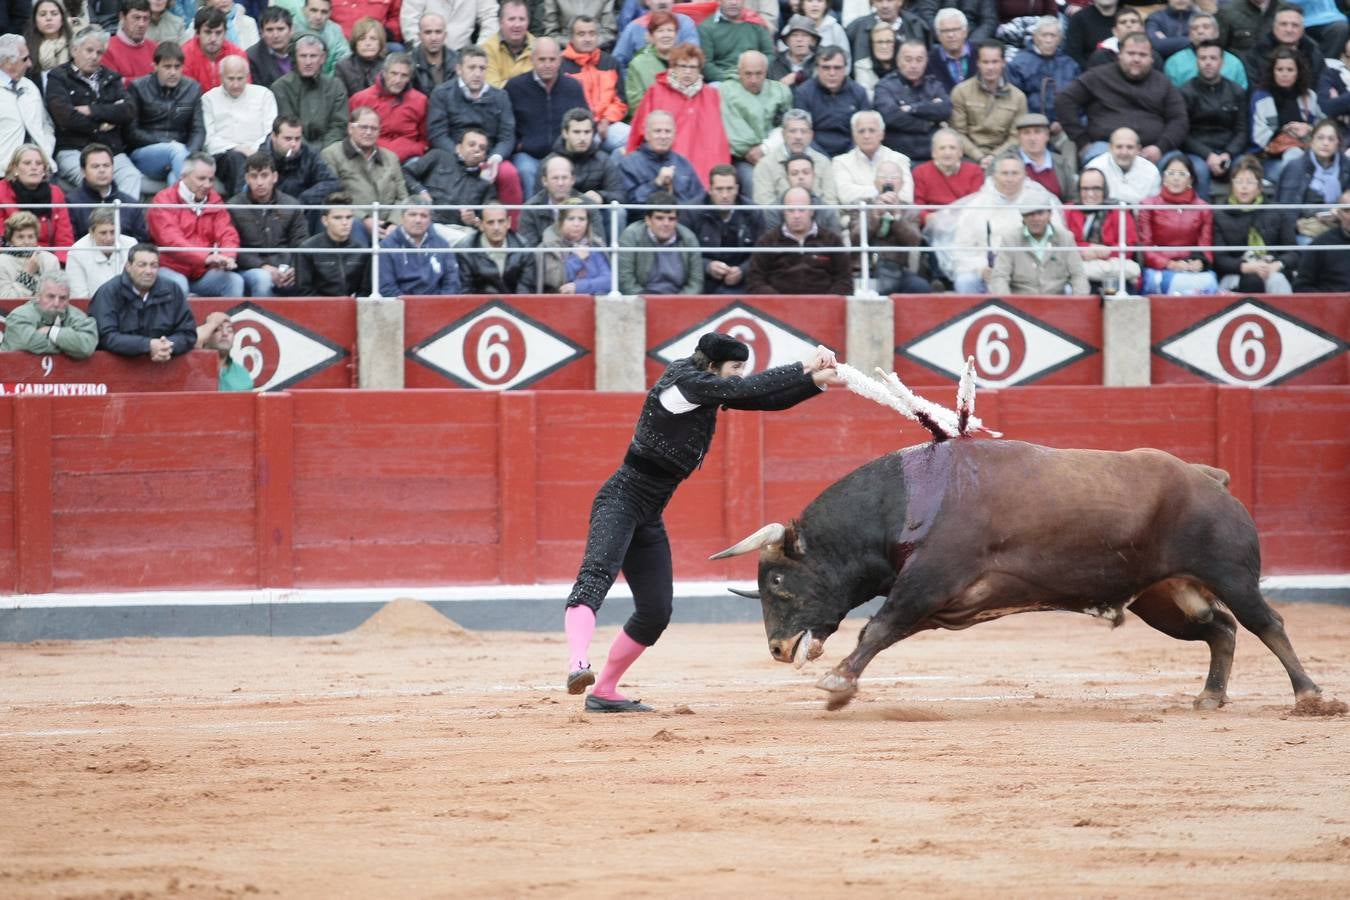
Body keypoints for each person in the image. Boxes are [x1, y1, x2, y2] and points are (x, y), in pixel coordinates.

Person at [562, 331, 839, 712]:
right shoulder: (686, 383)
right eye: (735, 368)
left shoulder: (707, 390)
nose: (739, 376)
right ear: (711, 366)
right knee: (594, 579)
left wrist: (814, 384)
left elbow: (761, 398)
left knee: (656, 612)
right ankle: (578, 666)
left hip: (648, 515)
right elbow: (750, 391)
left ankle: (605, 691)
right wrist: (805, 366)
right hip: (620, 501)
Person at [929, 154, 1062, 292]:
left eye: (1015, 173)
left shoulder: (1040, 201)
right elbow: (962, 247)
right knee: (965, 281)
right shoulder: (976, 206)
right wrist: (981, 268)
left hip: (1031, 268)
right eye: (1004, 173)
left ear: (1024, 175)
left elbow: (1056, 240)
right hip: (986, 268)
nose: (1009, 179)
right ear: (994, 176)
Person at [1055, 32, 1188, 166]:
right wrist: (1081, 141)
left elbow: (1179, 118)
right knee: (1098, 165)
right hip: (1105, 148)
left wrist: (1160, 147)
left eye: (1143, 55)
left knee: (1179, 168)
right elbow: (1065, 100)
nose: (1136, 59)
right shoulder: (1097, 76)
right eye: (1130, 53)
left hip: (1153, 150)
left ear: (1151, 59)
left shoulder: (1163, 83)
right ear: (1119, 56)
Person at [426, 44, 524, 217]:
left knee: (508, 173)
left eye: (482, 68)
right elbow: (437, 133)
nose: (477, 73)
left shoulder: (500, 97)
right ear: (458, 69)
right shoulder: (442, 94)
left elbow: (508, 136)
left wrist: (494, 158)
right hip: (454, 154)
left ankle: (513, 232)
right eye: (472, 67)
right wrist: (459, 153)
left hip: (489, 155)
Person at [46, 26, 142, 198]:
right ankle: (98, 224)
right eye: (89, 51)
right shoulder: (58, 77)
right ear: (74, 50)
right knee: (96, 181)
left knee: (131, 176)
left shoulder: (111, 77)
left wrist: (92, 110)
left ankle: (123, 224)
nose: (94, 57)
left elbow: (128, 110)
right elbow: (66, 117)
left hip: (110, 150)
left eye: (99, 53)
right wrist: (103, 123)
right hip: (74, 148)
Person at [627, 43, 731, 186]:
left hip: (705, 171)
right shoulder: (656, 92)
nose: (687, 72)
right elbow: (640, 130)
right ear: (673, 68)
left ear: (700, 70)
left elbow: (719, 139)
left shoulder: (711, 95)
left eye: (693, 67)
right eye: (683, 66)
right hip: (665, 169)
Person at [147, 152, 245, 297]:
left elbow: (227, 232)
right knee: (179, 284)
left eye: (211, 179)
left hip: (201, 271)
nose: (207, 185)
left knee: (234, 281)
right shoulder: (163, 200)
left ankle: (224, 320)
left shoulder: (214, 199)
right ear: (183, 176)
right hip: (169, 268)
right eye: (201, 179)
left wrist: (228, 256)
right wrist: (205, 257)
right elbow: (171, 241)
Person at [505, 36, 588, 196]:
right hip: (529, 156)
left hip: (566, 155)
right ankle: (533, 218)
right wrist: (520, 145)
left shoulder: (573, 87)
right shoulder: (514, 87)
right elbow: (506, 126)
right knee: (526, 171)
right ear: (532, 60)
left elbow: (585, 121)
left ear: (560, 60)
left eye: (552, 59)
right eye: (542, 59)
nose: (547, 65)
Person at [88, 242, 197, 360]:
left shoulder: (172, 290)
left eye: (154, 265)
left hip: (164, 368)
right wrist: (147, 345)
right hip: (116, 370)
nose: (149, 271)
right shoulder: (109, 292)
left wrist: (168, 346)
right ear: (128, 267)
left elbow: (188, 333)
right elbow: (105, 337)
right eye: (142, 265)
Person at [1171, 40, 1248, 201]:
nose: (1208, 63)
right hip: (1197, 151)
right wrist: (1208, 155)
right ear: (1196, 61)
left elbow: (1242, 130)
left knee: (1245, 169)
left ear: (1222, 62)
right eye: (1203, 58)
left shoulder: (1237, 91)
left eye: (1213, 58)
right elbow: (1182, 132)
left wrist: (1229, 153)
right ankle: (1201, 219)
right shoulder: (1185, 92)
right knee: (1199, 170)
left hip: (1229, 151)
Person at [321, 105, 410, 239]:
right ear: (350, 128)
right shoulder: (331, 154)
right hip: (352, 221)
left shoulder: (391, 158)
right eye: (363, 127)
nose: (369, 132)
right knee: (355, 225)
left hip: (389, 224)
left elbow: (403, 197)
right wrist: (365, 219)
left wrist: (393, 223)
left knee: (419, 223)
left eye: (374, 128)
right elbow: (333, 198)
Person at [1212, 155, 1297, 294]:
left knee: (1277, 280)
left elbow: (1293, 253)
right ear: (1232, 185)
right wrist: (1247, 267)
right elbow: (1219, 260)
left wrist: (1276, 265)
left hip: (1271, 270)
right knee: (1248, 282)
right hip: (1236, 273)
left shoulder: (1276, 211)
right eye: (1239, 181)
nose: (1244, 187)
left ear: (1259, 187)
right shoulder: (1221, 213)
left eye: (1250, 182)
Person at [228, 150, 309, 297]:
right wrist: (263, 266)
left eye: (264, 175)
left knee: (306, 276)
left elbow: (301, 244)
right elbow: (233, 249)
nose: (259, 182)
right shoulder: (233, 207)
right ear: (247, 178)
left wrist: (294, 269)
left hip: (286, 267)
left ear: (275, 177)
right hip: (249, 269)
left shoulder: (291, 205)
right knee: (262, 278)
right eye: (254, 176)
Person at [747, 185, 852, 293]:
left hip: (823, 306)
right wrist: (778, 301)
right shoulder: (767, 241)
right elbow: (754, 281)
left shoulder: (832, 241)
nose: (796, 215)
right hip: (778, 307)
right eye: (791, 210)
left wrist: (826, 303)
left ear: (812, 211)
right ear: (783, 212)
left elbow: (844, 280)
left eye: (802, 209)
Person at [125, 41, 203, 186]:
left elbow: (198, 129)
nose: (173, 72)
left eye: (177, 67)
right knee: (175, 150)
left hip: (181, 155)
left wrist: (188, 156)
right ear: (155, 66)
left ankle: (181, 208)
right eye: (167, 67)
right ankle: (198, 198)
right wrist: (166, 144)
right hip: (144, 153)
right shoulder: (138, 87)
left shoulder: (192, 88)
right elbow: (131, 132)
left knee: (175, 176)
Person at [1138, 154, 1218, 295]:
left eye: (1181, 174)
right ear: (1163, 178)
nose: (1176, 178)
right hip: (1160, 267)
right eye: (1171, 173)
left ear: (1190, 180)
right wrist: (1170, 264)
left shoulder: (1203, 208)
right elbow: (1145, 248)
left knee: (1208, 282)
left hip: (1190, 266)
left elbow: (1205, 247)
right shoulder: (1148, 205)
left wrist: (1200, 263)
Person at [402, 127, 498, 244]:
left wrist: (474, 221)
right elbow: (405, 173)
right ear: (458, 148)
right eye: (471, 145)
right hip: (427, 223)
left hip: (462, 231)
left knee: (478, 241)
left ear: (484, 155)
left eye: (482, 148)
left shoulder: (485, 184)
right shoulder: (438, 156)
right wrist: (420, 191)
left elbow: (489, 222)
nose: (476, 149)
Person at [720, 49, 793, 196]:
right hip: (743, 158)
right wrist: (751, 149)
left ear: (766, 72)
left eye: (758, 74)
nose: (753, 79)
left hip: (776, 153)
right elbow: (731, 126)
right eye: (748, 74)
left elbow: (787, 125)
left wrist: (765, 148)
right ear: (739, 71)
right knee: (753, 182)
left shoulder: (780, 91)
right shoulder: (726, 90)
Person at [201, 54, 275, 196]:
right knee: (236, 159)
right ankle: (241, 207)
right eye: (230, 79)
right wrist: (239, 149)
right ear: (221, 77)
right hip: (224, 155)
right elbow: (209, 140)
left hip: (260, 151)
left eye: (240, 79)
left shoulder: (264, 95)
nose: (235, 84)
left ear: (247, 76)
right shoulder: (208, 99)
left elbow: (270, 131)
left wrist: (254, 151)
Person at [1006, 15, 1080, 156]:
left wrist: (1062, 121)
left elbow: (1077, 100)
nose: (1048, 40)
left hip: (1061, 127)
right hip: (1029, 126)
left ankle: (1069, 177)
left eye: (1053, 35)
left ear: (1059, 39)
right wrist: (1035, 123)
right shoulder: (1018, 64)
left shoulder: (1070, 64)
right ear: (1035, 37)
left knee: (1071, 141)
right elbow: (1013, 101)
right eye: (1044, 35)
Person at [852, 159, 928, 293]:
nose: (888, 181)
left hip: (897, 268)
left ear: (902, 184)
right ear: (875, 183)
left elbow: (914, 241)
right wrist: (874, 215)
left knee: (921, 287)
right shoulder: (861, 206)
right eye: (883, 177)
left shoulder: (910, 209)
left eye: (894, 177)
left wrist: (897, 216)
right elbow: (856, 237)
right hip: (865, 267)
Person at [949, 39, 1027, 168]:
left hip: (1005, 157)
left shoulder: (1018, 97)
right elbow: (958, 133)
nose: (990, 67)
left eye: (995, 62)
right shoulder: (961, 91)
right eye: (985, 62)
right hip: (967, 156)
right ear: (978, 63)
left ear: (1003, 63)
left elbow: (1016, 137)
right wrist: (979, 157)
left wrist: (994, 157)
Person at [686, 163, 762, 294]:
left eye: (729, 189)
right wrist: (707, 266)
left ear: (737, 189)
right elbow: (683, 254)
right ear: (709, 190)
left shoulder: (753, 212)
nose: (725, 195)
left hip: (745, 281)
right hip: (703, 281)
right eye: (719, 189)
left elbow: (762, 252)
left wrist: (743, 270)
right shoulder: (691, 212)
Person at [1063, 166, 1140, 294]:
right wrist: (1086, 249)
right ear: (1078, 190)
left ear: (1104, 190)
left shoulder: (1118, 210)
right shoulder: (1067, 211)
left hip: (1112, 270)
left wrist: (1106, 252)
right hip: (1077, 270)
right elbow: (1061, 243)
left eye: (1096, 189)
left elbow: (1129, 247)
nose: (1090, 194)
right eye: (1085, 189)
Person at [1251, 48, 1323, 183]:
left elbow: (1323, 127)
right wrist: (1284, 130)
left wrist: (1309, 129)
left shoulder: (1309, 96)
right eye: (1280, 69)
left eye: (1290, 70)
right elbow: (1257, 138)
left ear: (1298, 72)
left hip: (1308, 153)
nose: (1284, 74)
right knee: (1296, 167)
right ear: (1272, 72)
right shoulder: (1261, 97)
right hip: (1271, 159)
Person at [560, 15, 629, 153]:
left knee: (635, 138)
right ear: (571, 38)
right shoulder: (561, 66)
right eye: (581, 34)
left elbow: (620, 101)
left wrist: (606, 120)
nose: (587, 39)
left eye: (592, 34)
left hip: (607, 126)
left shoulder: (610, 62)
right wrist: (586, 126)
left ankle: (612, 169)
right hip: (576, 129)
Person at [1275, 118, 1350, 245]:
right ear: (1312, 141)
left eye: (1331, 139)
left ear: (1338, 143)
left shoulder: (1346, 166)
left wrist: (1338, 213)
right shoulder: (1296, 167)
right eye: (1320, 138)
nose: (1325, 143)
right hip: (1304, 228)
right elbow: (1287, 211)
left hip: (1340, 226)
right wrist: (1318, 213)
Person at [873, 39, 949, 163]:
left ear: (926, 62)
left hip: (933, 156)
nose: (913, 65)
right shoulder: (885, 86)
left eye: (919, 60)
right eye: (908, 59)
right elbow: (891, 116)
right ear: (898, 61)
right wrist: (928, 123)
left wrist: (913, 108)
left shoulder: (934, 85)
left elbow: (945, 109)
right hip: (898, 156)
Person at [272, 34, 350, 152]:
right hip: (293, 148)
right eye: (303, 56)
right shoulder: (281, 87)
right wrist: (309, 153)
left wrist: (324, 150)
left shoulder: (336, 86)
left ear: (322, 58)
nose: (308, 62)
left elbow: (339, 125)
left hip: (329, 150)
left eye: (313, 56)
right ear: (295, 57)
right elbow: (288, 126)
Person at [989, 204, 1090, 295]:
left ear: (1050, 214)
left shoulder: (1065, 238)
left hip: (1056, 305)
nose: (1036, 218)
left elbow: (1078, 275)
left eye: (1040, 213)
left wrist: (1078, 306)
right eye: (1030, 214)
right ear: (1023, 217)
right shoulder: (1010, 239)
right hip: (1020, 304)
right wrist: (1007, 306)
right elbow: (1000, 277)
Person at [0, 144, 75, 264]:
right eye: (27, 163)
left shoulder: (56, 193)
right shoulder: (1, 191)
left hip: (49, 261)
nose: (34, 167)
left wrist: (59, 264)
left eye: (39, 163)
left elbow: (64, 240)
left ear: (44, 170)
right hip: (9, 260)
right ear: (15, 169)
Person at [617, 190, 703, 294]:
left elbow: (696, 282)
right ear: (648, 220)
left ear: (677, 220)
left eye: (671, 219)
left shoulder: (689, 238)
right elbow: (625, 281)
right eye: (659, 218)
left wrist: (679, 302)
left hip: (679, 301)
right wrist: (647, 302)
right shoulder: (631, 236)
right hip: (642, 302)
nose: (666, 223)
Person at [349, 52, 428, 163]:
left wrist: (412, 150)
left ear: (409, 78)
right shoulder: (360, 99)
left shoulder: (420, 101)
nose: (398, 80)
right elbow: (350, 133)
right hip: (370, 156)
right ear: (384, 73)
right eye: (393, 74)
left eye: (404, 75)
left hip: (408, 158)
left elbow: (425, 140)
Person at [792, 45, 870, 158]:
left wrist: (846, 158)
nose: (832, 73)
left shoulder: (859, 92)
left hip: (852, 155)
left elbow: (863, 131)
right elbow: (802, 132)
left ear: (845, 69)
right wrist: (823, 159)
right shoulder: (803, 93)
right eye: (826, 68)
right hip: (813, 155)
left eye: (837, 68)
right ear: (817, 68)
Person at [750, 106, 838, 206]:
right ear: (783, 134)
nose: (798, 137)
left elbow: (831, 204)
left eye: (803, 131)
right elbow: (764, 206)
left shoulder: (823, 162)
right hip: (779, 221)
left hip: (818, 220)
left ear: (811, 135)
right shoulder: (765, 165)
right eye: (792, 131)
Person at [618, 109, 706, 207]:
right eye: (657, 131)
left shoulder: (683, 163)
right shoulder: (629, 164)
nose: (663, 136)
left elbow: (699, 200)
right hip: (643, 220)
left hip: (682, 219)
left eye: (668, 131)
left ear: (674, 134)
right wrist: (656, 183)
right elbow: (628, 204)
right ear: (647, 135)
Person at [1, 270, 97, 357]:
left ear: (68, 299)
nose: (56, 303)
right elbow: (31, 343)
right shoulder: (18, 316)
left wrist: (52, 331)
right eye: (51, 296)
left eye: (63, 298)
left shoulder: (77, 316)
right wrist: (70, 346)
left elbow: (87, 346)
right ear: (38, 296)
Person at [64, 142, 148, 240]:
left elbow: (141, 242)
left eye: (106, 165)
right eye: (95, 166)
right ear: (83, 171)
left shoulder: (130, 204)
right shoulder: (70, 202)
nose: (102, 170)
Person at [2, 33, 58, 175]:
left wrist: (46, 149)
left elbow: (47, 125)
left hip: (41, 169)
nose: (30, 64)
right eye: (25, 59)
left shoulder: (30, 86)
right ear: (8, 62)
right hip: (5, 174)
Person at [515, 154, 603, 245]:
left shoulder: (588, 205)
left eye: (564, 178)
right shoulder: (531, 209)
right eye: (555, 178)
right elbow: (528, 250)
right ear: (544, 181)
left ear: (572, 180)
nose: (560, 183)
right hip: (545, 258)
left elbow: (598, 243)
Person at [546, 108, 625, 209]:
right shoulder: (549, 163)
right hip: (560, 216)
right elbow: (539, 201)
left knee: (618, 211)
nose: (582, 138)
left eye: (587, 132)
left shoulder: (603, 160)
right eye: (576, 132)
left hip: (596, 215)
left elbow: (620, 196)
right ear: (565, 133)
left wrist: (601, 196)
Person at [833, 108, 913, 206]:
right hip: (856, 217)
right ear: (854, 135)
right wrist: (885, 191)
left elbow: (906, 196)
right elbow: (845, 195)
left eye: (872, 130)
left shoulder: (899, 159)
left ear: (882, 134)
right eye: (861, 131)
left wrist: (864, 191)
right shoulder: (841, 162)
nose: (866, 136)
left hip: (894, 215)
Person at [296, 192, 371, 295]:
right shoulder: (308, 249)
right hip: (319, 308)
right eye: (338, 218)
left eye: (349, 217)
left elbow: (366, 290)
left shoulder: (362, 250)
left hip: (352, 307)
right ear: (325, 221)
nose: (345, 223)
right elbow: (304, 291)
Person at [378, 202, 460, 295]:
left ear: (430, 220)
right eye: (412, 215)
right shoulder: (386, 246)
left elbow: (452, 283)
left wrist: (440, 304)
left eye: (424, 216)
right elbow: (387, 288)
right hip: (401, 307)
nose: (418, 220)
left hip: (437, 305)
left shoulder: (442, 244)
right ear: (402, 217)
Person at [455, 203, 538, 293]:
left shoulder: (523, 247)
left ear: (508, 223)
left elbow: (525, 289)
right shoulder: (465, 250)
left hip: (515, 305)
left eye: (501, 221)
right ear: (481, 225)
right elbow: (466, 291)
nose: (496, 227)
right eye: (490, 222)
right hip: (479, 305)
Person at [1243, 7, 1327, 90]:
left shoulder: (1312, 51)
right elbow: (1255, 88)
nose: (1289, 29)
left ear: (1302, 29)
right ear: (1274, 27)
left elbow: (1323, 84)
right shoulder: (1257, 52)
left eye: (1295, 25)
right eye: (1283, 24)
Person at [910, 126, 982, 224]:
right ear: (934, 153)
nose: (947, 152)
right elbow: (917, 204)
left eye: (952, 148)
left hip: (965, 223)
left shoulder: (975, 171)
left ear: (960, 152)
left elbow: (976, 203)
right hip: (932, 223)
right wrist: (928, 218)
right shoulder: (920, 172)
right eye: (942, 148)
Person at [538, 198, 611, 293]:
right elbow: (554, 280)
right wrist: (577, 259)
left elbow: (609, 281)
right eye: (571, 218)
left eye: (582, 219)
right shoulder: (548, 246)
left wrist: (578, 287)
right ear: (561, 222)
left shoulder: (595, 244)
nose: (577, 224)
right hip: (560, 302)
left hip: (594, 301)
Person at [761, 152, 842, 234]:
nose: (801, 177)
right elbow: (770, 243)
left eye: (806, 172)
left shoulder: (826, 211)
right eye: (794, 173)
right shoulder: (773, 211)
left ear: (813, 176)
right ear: (787, 178)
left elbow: (835, 243)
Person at [1164, 12, 1248, 89]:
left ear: (1216, 32)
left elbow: (1242, 94)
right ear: (1189, 35)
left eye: (1206, 27)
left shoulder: (1234, 63)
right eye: (1195, 28)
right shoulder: (1174, 63)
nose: (1200, 31)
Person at [66, 205, 138, 296]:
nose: (109, 238)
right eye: (103, 233)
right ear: (91, 232)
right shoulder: (77, 252)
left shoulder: (131, 245)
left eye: (113, 232)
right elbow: (79, 296)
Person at [846, 0, 929, 75]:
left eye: (890, 0)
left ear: (900, 2)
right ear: (873, 2)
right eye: (880, 1)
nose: (884, 5)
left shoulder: (917, 26)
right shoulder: (856, 28)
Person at [698, 0, 773, 83]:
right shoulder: (706, 27)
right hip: (723, 80)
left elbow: (769, 54)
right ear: (719, 1)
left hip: (754, 77)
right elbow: (706, 63)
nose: (733, 2)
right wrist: (728, 78)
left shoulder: (756, 23)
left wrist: (757, 74)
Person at [613, 0, 700, 70]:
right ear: (647, 1)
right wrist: (633, 78)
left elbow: (693, 56)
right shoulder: (634, 27)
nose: (662, 2)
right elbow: (617, 63)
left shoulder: (685, 23)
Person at [1084, 126, 1161, 204]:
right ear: (1110, 148)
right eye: (1119, 147)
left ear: (1138, 149)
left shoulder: (1151, 171)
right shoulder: (1095, 167)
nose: (1124, 152)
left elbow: (1153, 208)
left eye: (1130, 147)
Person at [1294, 186, 1350, 291]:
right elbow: (1301, 286)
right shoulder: (1321, 244)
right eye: (1347, 210)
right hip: (1331, 304)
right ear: (1338, 213)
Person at [399, 0, 498, 57]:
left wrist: (478, 51)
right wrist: (421, 49)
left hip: (463, 53)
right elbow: (409, 21)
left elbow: (491, 18)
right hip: (425, 52)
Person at [180, 6, 245, 92]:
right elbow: (184, 95)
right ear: (197, 33)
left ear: (225, 33)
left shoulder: (237, 54)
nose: (213, 39)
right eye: (208, 32)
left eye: (218, 33)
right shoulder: (184, 54)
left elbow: (243, 91)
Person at [624, 10, 679, 109]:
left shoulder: (685, 60)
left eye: (670, 30)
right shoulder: (637, 64)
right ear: (651, 37)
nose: (666, 35)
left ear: (676, 35)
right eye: (660, 31)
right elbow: (636, 103)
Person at [0, 210, 62, 297]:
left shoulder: (50, 260)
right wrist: (27, 274)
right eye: (20, 237)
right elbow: (5, 299)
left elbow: (55, 296)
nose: (26, 241)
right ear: (10, 239)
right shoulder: (2, 262)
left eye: (31, 236)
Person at [194, 310, 253, 391]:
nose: (225, 333)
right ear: (206, 337)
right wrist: (211, 324)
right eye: (218, 329)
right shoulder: (193, 367)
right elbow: (192, 340)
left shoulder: (242, 374)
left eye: (230, 330)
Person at [22, 1, 74, 90]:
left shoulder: (75, 46)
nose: (48, 18)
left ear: (62, 18)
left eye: (54, 14)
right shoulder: (25, 49)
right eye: (42, 14)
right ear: (35, 20)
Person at [100, 0, 155, 84]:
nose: (141, 24)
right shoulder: (107, 49)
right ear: (122, 17)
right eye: (136, 18)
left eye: (146, 18)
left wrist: (127, 80)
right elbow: (114, 86)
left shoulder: (155, 47)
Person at [483, 0, 534, 87]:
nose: (517, 25)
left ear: (528, 22)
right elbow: (493, 89)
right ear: (500, 22)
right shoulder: (487, 49)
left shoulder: (538, 48)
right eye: (511, 19)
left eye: (522, 19)